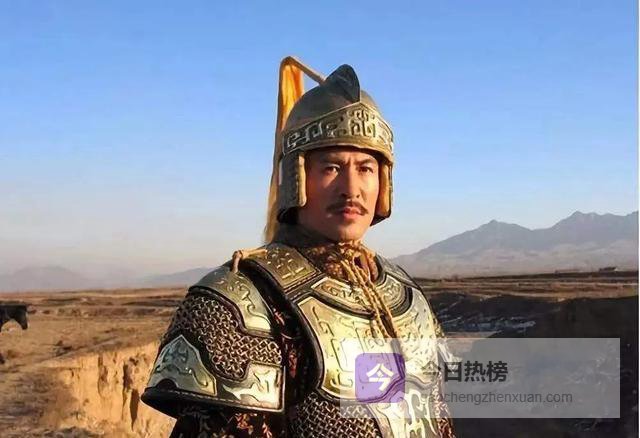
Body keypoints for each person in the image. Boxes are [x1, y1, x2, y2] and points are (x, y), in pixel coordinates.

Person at [142, 57, 456, 438]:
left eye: (365, 168)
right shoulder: (243, 302)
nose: (351, 189)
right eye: (331, 168)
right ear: (297, 177)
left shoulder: (404, 295)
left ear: (383, 182)